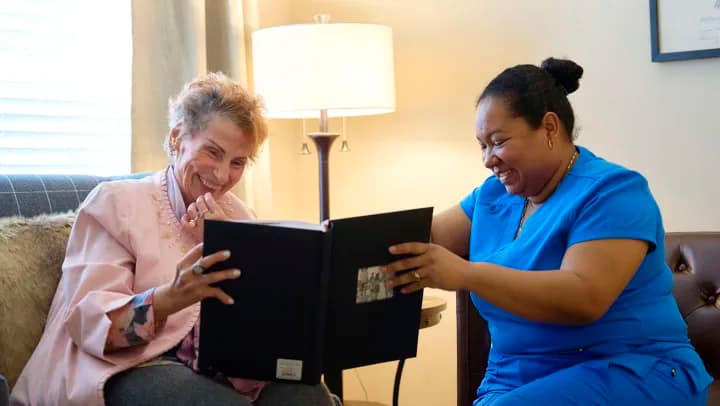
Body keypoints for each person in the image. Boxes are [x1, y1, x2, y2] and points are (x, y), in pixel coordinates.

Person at [382, 58, 713, 405]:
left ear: (550, 128)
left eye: (498, 141)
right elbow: (423, 237)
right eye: (482, 145)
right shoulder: (493, 195)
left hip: (628, 368)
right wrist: (337, 245)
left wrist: (466, 274)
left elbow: (584, 297)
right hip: (515, 377)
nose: (487, 159)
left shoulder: (614, 192)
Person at [11, 72, 335, 406]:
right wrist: (171, 297)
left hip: (219, 368)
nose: (223, 175)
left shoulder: (240, 216)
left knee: (307, 394)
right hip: (126, 365)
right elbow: (89, 323)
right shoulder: (116, 203)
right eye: (213, 152)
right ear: (178, 137)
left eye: (237, 162)